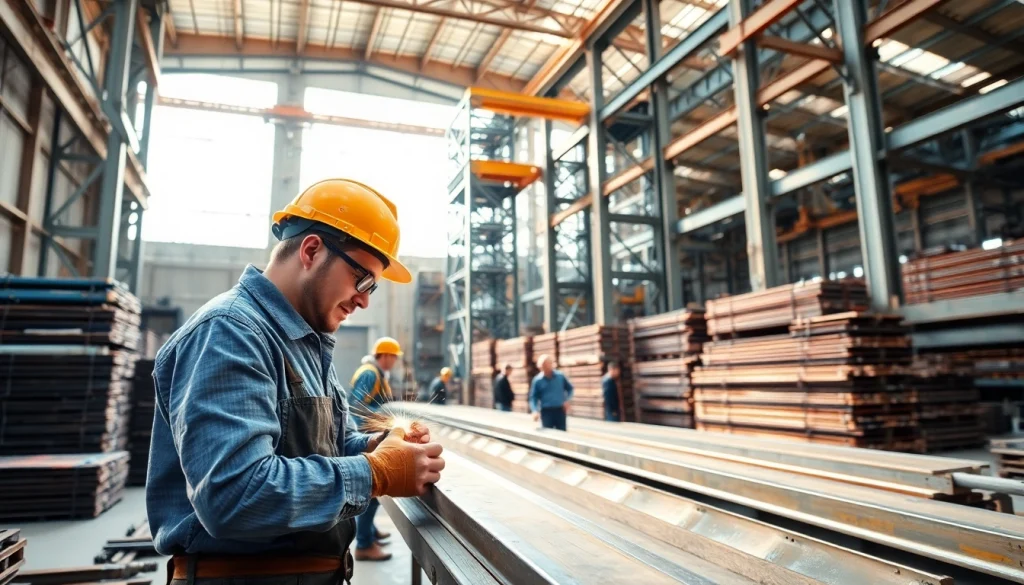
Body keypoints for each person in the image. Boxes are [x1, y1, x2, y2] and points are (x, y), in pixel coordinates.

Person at [146, 179, 445, 585]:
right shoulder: (231, 333)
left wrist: (380, 447)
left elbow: (326, 447)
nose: (365, 300)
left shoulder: (307, 342)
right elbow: (234, 495)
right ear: (311, 251)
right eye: (363, 280)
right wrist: (374, 473)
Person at [348, 337, 403, 562]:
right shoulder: (370, 373)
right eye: (393, 357)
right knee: (371, 492)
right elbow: (358, 406)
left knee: (375, 492)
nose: (394, 362)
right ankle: (364, 543)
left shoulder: (377, 373)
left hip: (370, 436)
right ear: (385, 355)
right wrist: (384, 419)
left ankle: (369, 532)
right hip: (365, 438)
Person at [529, 355, 574, 431]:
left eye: (547, 364)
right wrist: (535, 410)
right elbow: (533, 397)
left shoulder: (560, 376)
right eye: (543, 366)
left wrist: (567, 400)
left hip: (560, 411)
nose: (545, 368)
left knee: (562, 434)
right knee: (548, 434)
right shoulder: (537, 380)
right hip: (546, 412)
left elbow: (570, 389)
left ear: (551, 364)